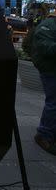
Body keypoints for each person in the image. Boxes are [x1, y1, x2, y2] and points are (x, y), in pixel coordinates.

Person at [31, 11, 56, 155]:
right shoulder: (47, 25)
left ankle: (49, 133)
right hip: (50, 70)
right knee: (53, 103)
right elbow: (45, 47)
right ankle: (44, 135)